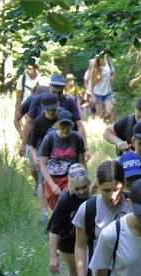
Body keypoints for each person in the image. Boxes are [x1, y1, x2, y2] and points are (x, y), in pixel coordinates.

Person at [47, 165, 94, 276]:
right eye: (77, 189)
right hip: (68, 241)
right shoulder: (66, 199)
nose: (81, 192)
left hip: (89, 239)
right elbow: (54, 229)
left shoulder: (94, 196)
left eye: (84, 187)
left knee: (88, 272)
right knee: (75, 273)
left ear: (89, 184)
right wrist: (54, 257)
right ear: (71, 188)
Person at [18, 74, 91, 162]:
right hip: (41, 141)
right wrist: (23, 144)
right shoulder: (38, 100)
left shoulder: (69, 102)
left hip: (64, 143)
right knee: (36, 168)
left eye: (59, 93)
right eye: (54, 92)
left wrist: (85, 149)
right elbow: (29, 122)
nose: (56, 95)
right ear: (49, 88)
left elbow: (79, 125)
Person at [38, 110, 86, 212]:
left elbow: (82, 161)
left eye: (68, 126)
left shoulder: (77, 138)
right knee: (56, 210)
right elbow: (43, 165)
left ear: (72, 126)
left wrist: (85, 179)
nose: (65, 130)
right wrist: (52, 185)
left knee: (67, 200)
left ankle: (72, 225)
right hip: (52, 178)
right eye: (63, 127)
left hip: (70, 177)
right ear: (57, 126)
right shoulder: (49, 139)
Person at [27, 93, 59, 222]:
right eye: (48, 109)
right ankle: (44, 213)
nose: (51, 112)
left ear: (58, 105)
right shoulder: (38, 121)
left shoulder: (63, 117)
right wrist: (36, 158)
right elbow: (33, 145)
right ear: (43, 107)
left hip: (61, 153)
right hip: (44, 154)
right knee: (42, 180)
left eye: (54, 109)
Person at [14, 57, 41, 137]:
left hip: (38, 109)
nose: (27, 71)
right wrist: (17, 111)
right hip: (25, 109)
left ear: (35, 68)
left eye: (29, 68)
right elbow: (19, 97)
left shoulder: (41, 79)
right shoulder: (22, 79)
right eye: (26, 68)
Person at [87, 53, 116, 122]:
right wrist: (92, 96)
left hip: (107, 92)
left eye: (104, 57)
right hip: (98, 93)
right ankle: (99, 126)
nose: (103, 59)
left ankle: (103, 121)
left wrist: (111, 78)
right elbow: (92, 83)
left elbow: (113, 74)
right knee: (99, 114)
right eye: (101, 58)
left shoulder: (109, 64)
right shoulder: (94, 67)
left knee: (109, 112)